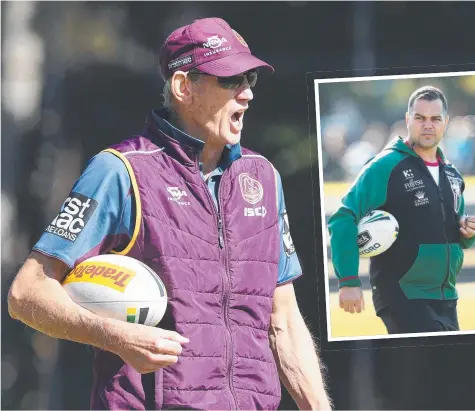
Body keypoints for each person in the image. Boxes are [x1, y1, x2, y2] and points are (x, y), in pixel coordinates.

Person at [8, 17, 331, 411]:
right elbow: (27, 293)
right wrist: (114, 336)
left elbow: (283, 320)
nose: (246, 94)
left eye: (250, 81)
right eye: (230, 80)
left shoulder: (263, 178)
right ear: (183, 87)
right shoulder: (120, 171)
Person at [328, 85, 475, 335]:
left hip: (446, 295)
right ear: (408, 119)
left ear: (446, 122)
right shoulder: (385, 165)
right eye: (420, 118)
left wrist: (467, 232)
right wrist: (348, 281)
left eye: (435, 119)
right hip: (403, 293)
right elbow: (343, 217)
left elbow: (456, 232)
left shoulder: (452, 173)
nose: (428, 125)